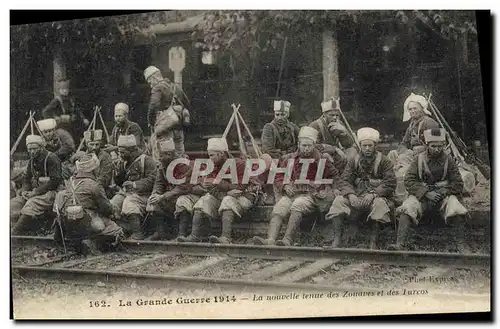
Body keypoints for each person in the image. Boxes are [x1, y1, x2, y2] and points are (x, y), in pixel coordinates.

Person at [252, 127, 339, 246]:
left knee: (297, 205)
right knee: (280, 206)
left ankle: (288, 239)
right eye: (304, 145)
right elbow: (279, 175)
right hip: (292, 193)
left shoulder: (321, 159)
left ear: (314, 145)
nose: (306, 148)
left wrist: (332, 190)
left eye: (309, 145)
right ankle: (270, 239)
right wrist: (285, 185)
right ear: (298, 144)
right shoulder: (290, 158)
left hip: (311, 196)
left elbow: (335, 175)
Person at [389, 128, 470, 253]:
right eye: (433, 146)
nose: (437, 149)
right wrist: (426, 193)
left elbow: (458, 183)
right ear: (427, 145)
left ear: (443, 145)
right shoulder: (418, 159)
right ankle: (400, 244)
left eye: (440, 146)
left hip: (443, 196)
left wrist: (443, 192)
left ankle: (461, 245)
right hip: (422, 196)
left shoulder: (449, 160)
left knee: (455, 206)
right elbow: (409, 180)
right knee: (408, 207)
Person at [176, 138, 259, 243]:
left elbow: (241, 187)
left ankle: (226, 237)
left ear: (221, 153)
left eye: (212, 155)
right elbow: (211, 188)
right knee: (203, 201)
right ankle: (195, 235)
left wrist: (218, 183)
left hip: (244, 196)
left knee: (228, 200)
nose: (210, 158)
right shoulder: (213, 166)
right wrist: (221, 191)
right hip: (224, 195)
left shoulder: (239, 163)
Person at [325, 128, 396, 249]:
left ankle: (373, 242)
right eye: (364, 146)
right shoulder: (354, 160)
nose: (367, 148)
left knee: (379, 204)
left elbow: (390, 182)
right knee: (338, 201)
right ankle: (337, 240)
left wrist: (373, 194)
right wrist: (351, 195)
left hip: (376, 198)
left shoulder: (384, 161)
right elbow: (344, 180)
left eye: (370, 145)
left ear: (375, 146)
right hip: (357, 197)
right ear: (360, 146)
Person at [53, 153, 124, 255]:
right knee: (117, 231)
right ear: (93, 169)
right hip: (88, 222)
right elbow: (106, 208)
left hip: (69, 223)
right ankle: (93, 243)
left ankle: (78, 242)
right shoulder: (94, 185)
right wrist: (114, 211)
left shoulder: (70, 183)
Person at [11, 135, 62, 234]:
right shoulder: (32, 160)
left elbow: (54, 181)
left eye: (34, 148)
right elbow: (26, 178)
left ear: (41, 147)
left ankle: (15, 232)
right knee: (14, 203)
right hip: (36, 192)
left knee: (31, 204)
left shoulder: (52, 158)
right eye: (29, 149)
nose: (32, 151)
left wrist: (35, 192)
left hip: (52, 192)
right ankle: (13, 226)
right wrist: (25, 190)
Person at [146, 139, 194, 241]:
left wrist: (163, 196)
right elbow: (159, 182)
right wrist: (155, 194)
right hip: (172, 194)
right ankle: (161, 233)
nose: (159, 158)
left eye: (161, 155)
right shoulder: (163, 164)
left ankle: (181, 234)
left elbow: (183, 187)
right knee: (154, 201)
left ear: (169, 154)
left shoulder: (183, 164)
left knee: (182, 202)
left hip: (188, 193)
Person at [111, 135, 157, 240]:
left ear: (132, 150)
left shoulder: (146, 160)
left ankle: (138, 232)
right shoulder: (124, 162)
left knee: (129, 203)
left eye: (122, 152)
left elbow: (153, 179)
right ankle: (124, 229)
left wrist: (135, 184)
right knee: (113, 204)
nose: (120, 154)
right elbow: (120, 182)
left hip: (144, 194)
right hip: (127, 193)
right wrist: (117, 171)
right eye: (119, 152)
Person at [144, 66, 189, 158]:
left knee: (162, 158)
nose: (150, 85)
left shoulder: (157, 88)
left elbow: (153, 106)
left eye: (150, 81)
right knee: (179, 159)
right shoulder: (175, 86)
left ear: (154, 77)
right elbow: (187, 103)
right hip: (179, 129)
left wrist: (151, 122)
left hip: (165, 130)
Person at [310, 97, 357, 168]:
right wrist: (333, 149)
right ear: (324, 114)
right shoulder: (315, 125)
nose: (335, 117)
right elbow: (312, 146)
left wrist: (344, 132)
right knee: (326, 156)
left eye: (337, 115)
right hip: (321, 156)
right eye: (331, 115)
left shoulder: (339, 123)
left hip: (337, 154)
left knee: (352, 152)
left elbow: (348, 144)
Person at [83, 129, 113, 194]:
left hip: (100, 190)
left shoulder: (105, 157)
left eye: (97, 145)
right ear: (86, 144)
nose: (94, 147)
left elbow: (105, 179)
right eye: (91, 144)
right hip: (84, 188)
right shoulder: (83, 157)